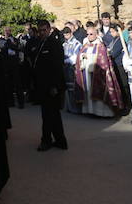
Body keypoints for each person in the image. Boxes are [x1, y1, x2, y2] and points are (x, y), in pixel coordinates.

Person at [32, 19, 67, 151]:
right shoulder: (41, 43)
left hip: (51, 86)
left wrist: (54, 86)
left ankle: (46, 140)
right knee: (53, 115)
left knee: (48, 115)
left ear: (48, 29)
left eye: (44, 30)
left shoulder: (54, 43)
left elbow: (57, 66)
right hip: (43, 85)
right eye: (39, 30)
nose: (41, 33)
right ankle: (60, 141)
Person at [74, 25, 122, 117]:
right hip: (86, 73)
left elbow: (103, 61)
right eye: (87, 34)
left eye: (91, 34)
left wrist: (90, 58)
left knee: (99, 92)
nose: (89, 36)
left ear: (96, 34)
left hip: (98, 74)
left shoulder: (100, 46)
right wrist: (82, 58)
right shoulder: (85, 45)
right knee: (88, 91)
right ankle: (89, 111)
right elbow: (79, 57)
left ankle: (101, 112)